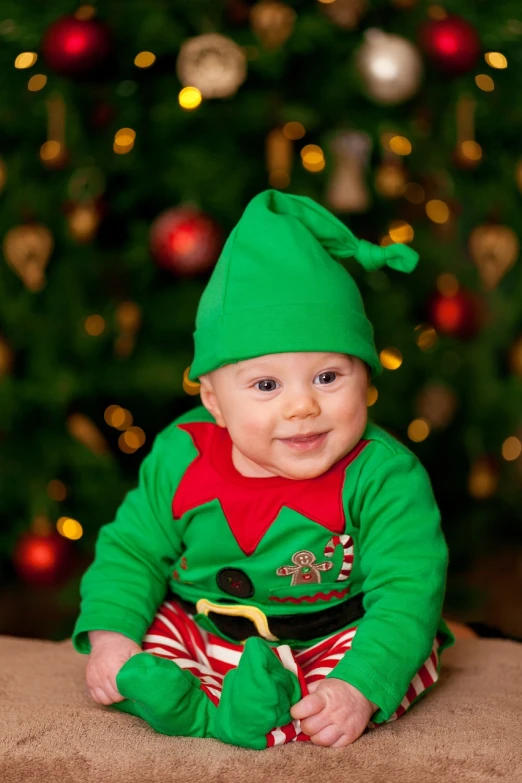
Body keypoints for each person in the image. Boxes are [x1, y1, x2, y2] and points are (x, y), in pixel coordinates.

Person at [72, 189, 456, 749]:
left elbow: (407, 588)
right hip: (203, 625)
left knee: (378, 672)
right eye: (266, 385)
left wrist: (357, 687)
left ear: (367, 379)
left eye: (328, 377)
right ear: (214, 400)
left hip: (334, 633)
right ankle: (192, 703)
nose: (302, 407)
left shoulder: (384, 475)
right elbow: (132, 549)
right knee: (139, 649)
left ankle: (255, 707)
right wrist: (111, 640)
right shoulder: (182, 453)